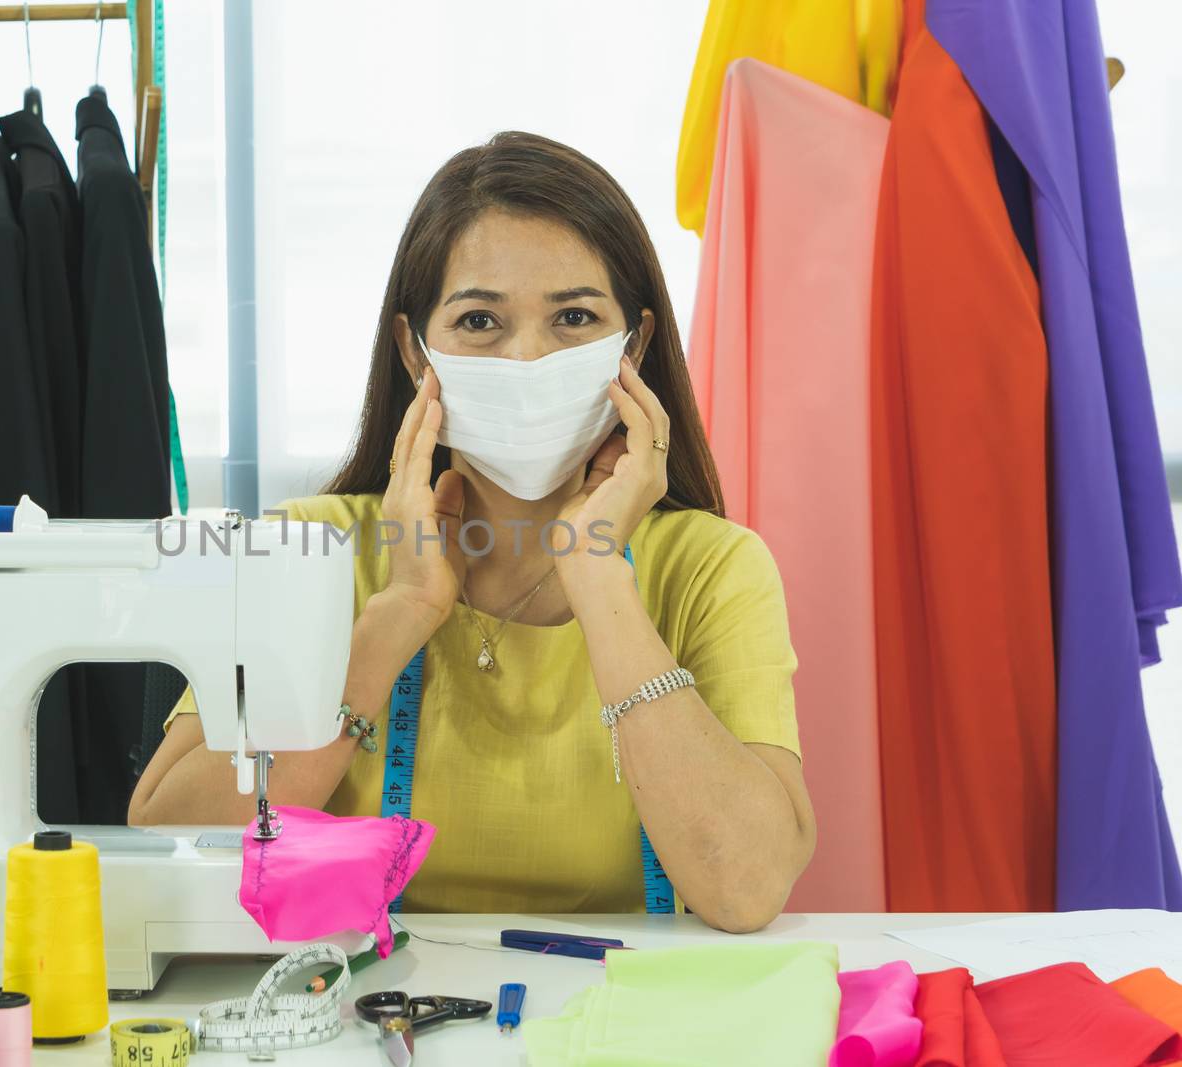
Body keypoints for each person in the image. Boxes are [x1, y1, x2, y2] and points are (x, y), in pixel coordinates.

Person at [130, 131, 815, 933]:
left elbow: (746, 885)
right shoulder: (306, 552)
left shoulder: (711, 568)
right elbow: (171, 843)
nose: (527, 358)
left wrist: (600, 581)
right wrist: (400, 612)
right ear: (416, 355)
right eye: (481, 319)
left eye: (573, 317)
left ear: (635, 347)